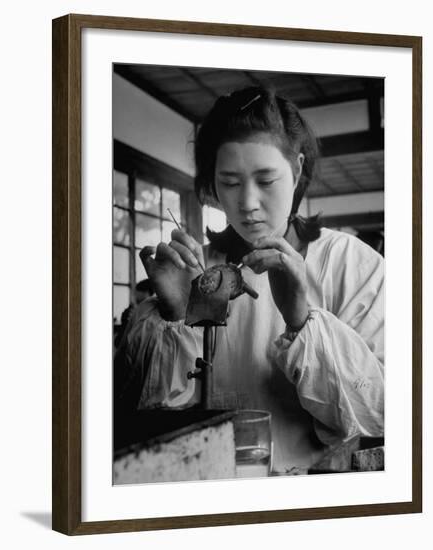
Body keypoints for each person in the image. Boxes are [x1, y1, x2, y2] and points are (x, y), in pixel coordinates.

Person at [114, 87, 384, 473]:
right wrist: (174, 313)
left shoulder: (352, 264)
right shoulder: (198, 270)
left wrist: (300, 320)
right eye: (230, 182)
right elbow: (139, 419)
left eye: (266, 180)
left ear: (296, 169)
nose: (248, 203)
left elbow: (381, 416)